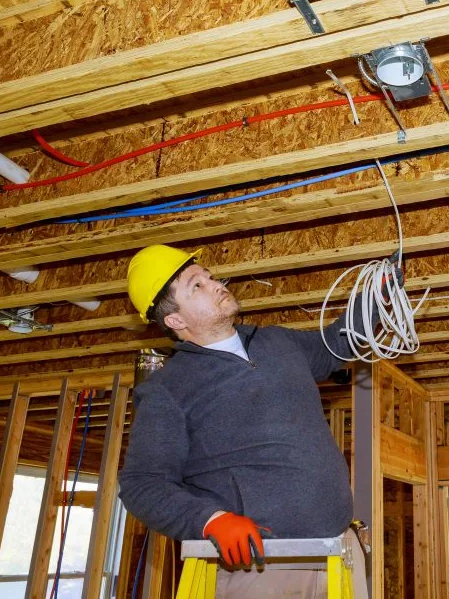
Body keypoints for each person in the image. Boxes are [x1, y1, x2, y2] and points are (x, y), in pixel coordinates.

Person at [118, 244, 393, 598]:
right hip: (264, 566)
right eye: (196, 286)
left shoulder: (275, 341)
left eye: (209, 277)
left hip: (340, 551)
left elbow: (335, 345)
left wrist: (373, 300)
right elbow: (143, 483)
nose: (215, 284)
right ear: (176, 320)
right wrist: (210, 520)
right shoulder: (168, 389)